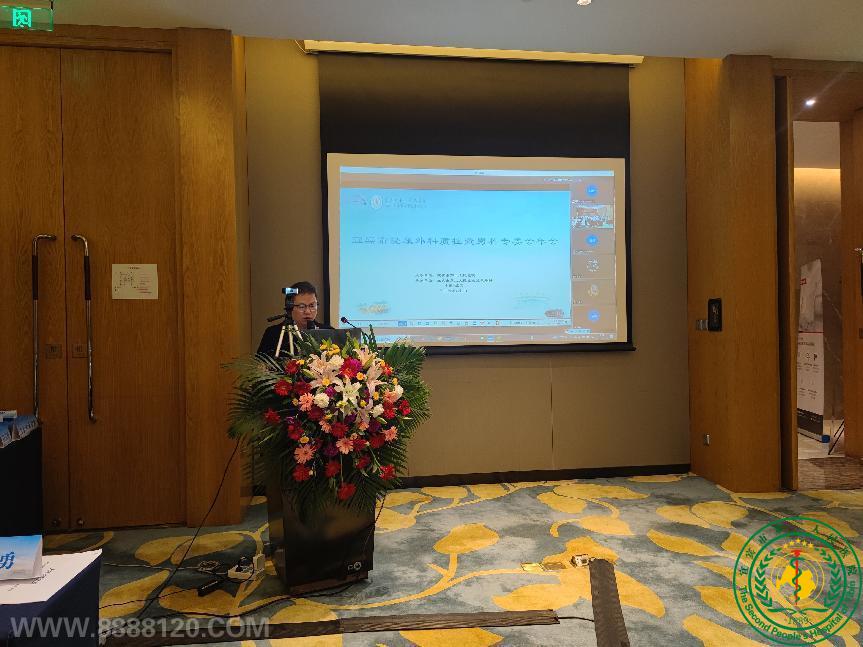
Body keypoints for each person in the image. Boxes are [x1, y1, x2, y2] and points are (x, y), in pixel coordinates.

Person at [257, 281, 331, 356]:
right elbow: (261, 362)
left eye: (312, 306)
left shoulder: (328, 332)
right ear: (289, 308)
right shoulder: (273, 334)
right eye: (302, 306)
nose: (307, 311)